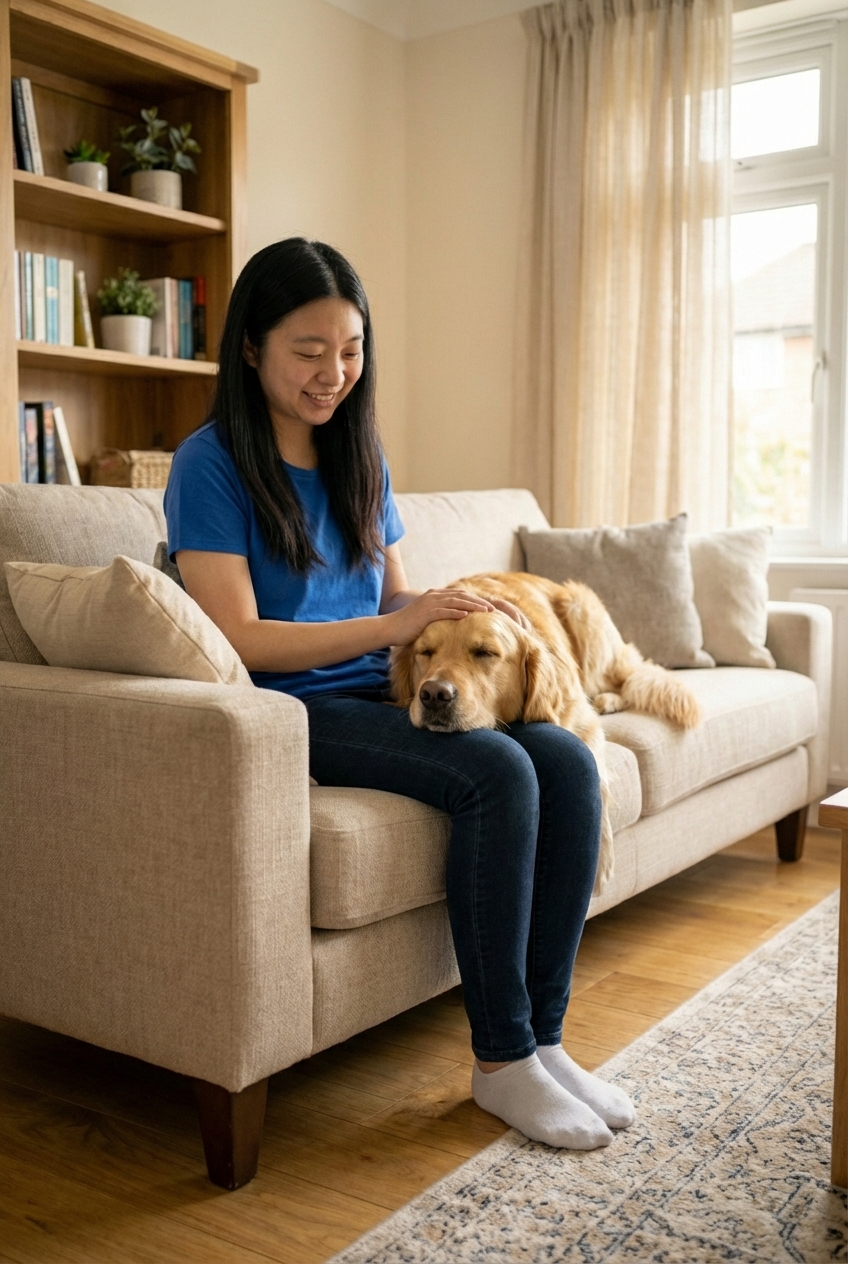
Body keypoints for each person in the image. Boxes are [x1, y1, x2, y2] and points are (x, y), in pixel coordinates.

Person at [164, 237, 635, 1149]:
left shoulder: (359, 453)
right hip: (289, 708)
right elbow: (238, 636)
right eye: (309, 351)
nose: (333, 374)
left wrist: (460, 610)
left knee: (567, 761)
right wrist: (394, 629)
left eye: (350, 351)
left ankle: (544, 1040)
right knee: (498, 771)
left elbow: (395, 601)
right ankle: (501, 1062)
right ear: (251, 347)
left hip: (381, 691)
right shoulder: (210, 464)